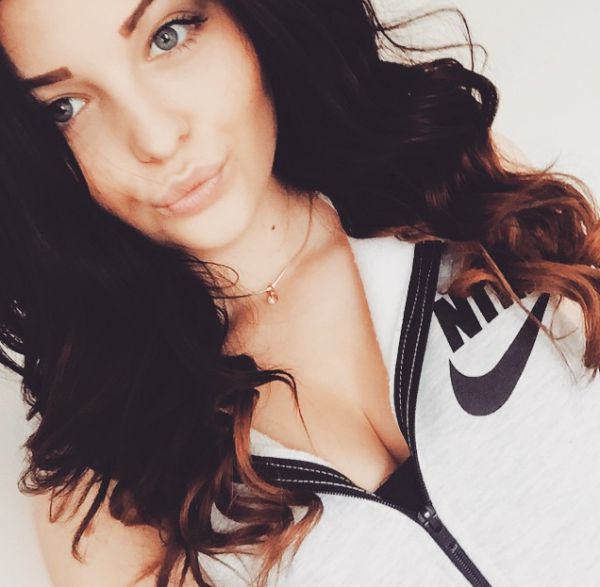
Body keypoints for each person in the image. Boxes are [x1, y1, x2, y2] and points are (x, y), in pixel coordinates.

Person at [0, 1, 599, 586]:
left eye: (168, 35)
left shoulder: (454, 196)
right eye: (64, 108)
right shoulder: (104, 485)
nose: (155, 139)